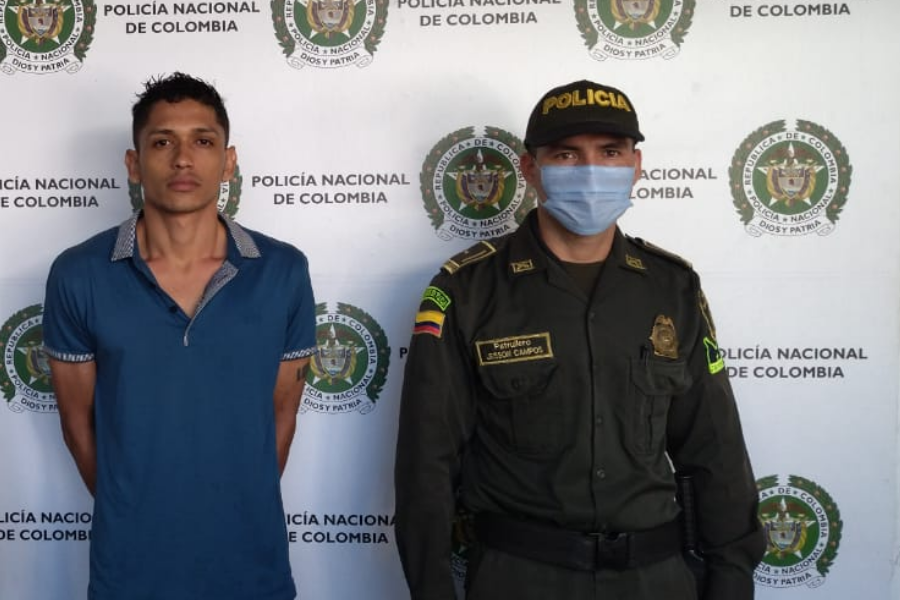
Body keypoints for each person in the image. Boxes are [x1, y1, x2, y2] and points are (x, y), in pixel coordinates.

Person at [394, 80, 765, 600]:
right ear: (530, 169)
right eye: (567, 155)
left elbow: (715, 449)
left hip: (655, 578)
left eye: (610, 152)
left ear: (636, 165)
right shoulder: (467, 290)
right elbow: (426, 463)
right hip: (519, 577)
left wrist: (732, 578)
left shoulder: (673, 287)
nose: (591, 171)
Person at [43, 73, 316, 600]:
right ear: (134, 163)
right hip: (129, 572)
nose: (184, 159)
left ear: (229, 162)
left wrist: (236, 505)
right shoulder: (78, 274)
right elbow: (77, 425)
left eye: (203, 141)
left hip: (253, 567)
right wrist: (137, 512)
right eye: (163, 142)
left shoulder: (283, 271)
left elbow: (282, 414)